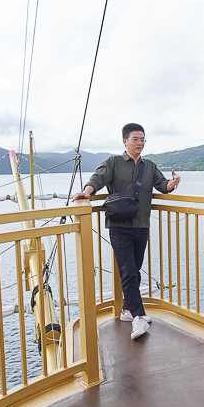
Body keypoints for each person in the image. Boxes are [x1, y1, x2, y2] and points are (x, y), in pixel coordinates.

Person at [72, 123, 180, 340]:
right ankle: (139, 318)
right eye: (135, 139)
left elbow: (161, 185)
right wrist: (86, 192)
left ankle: (127, 311)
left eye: (142, 140)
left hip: (141, 225)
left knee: (135, 269)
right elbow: (97, 179)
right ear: (125, 141)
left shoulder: (149, 166)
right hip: (119, 226)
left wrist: (172, 183)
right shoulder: (113, 162)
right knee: (128, 270)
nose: (139, 143)